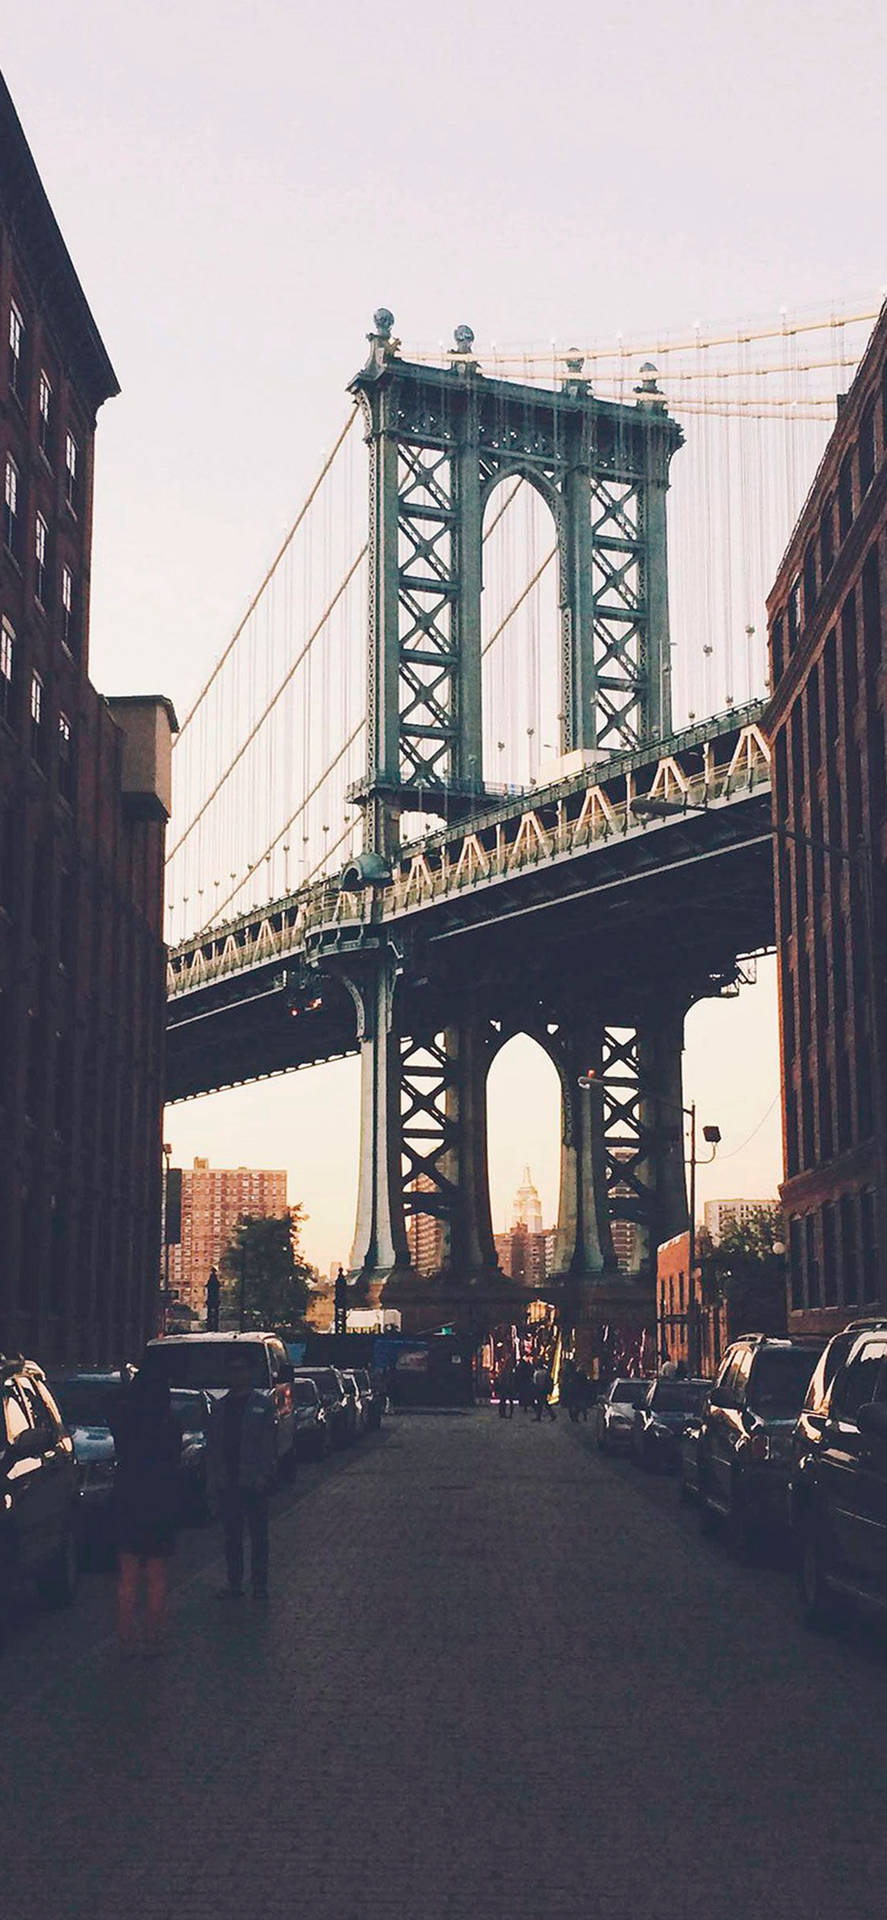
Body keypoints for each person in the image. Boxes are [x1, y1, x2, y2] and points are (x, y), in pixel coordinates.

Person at [108, 1371, 182, 1657]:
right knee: (156, 1574)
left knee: (127, 1575)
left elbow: (110, 1402)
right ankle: (154, 1635)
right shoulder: (171, 1425)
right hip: (159, 1503)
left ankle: (126, 1636)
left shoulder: (126, 1424)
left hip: (128, 1501)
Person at [208, 1349, 278, 1601]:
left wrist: (264, 1475)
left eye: (241, 1369)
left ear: (249, 1372)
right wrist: (214, 1481)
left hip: (253, 1482)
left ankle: (260, 1586)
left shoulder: (262, 1405)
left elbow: (269, 1444)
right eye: (233, 1370)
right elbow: (214, 1446)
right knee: (232, 1538)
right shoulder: (220, 1407)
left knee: (259, 1538)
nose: (237, 1375)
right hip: (229, 1481)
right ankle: (235, 1584)